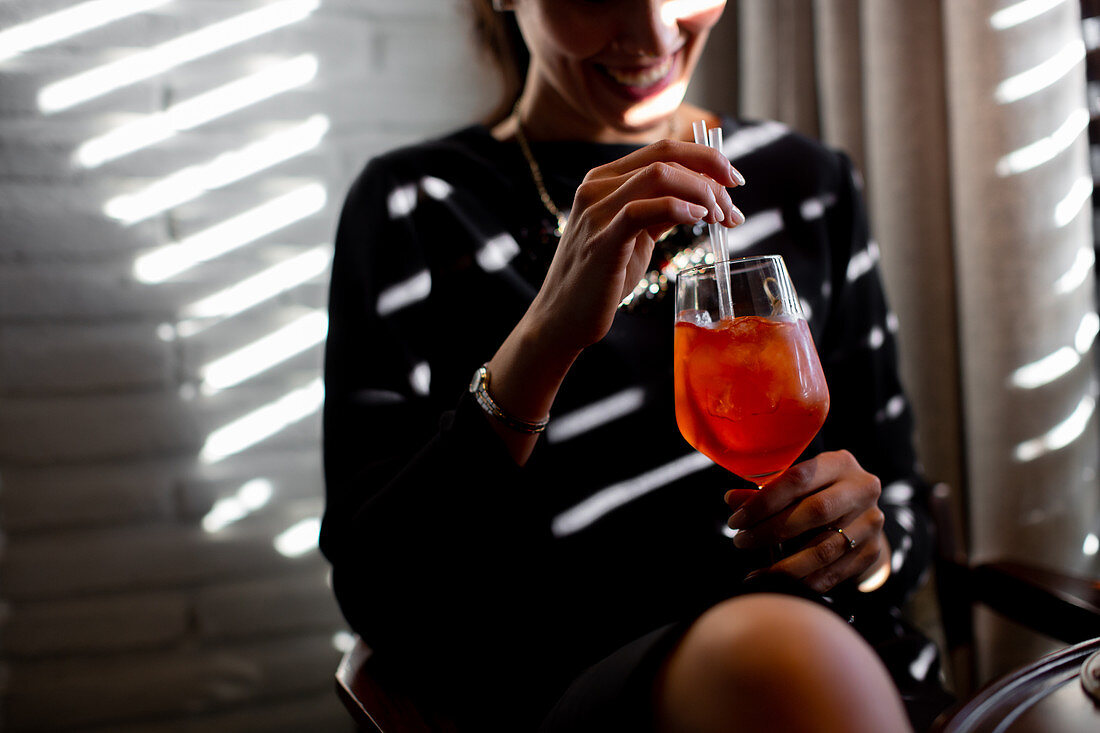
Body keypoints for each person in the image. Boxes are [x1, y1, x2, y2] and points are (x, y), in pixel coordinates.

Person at [320, 1, 953, 731]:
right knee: (773, 652)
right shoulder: (415, 208)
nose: (655, 35)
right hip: (597, 697)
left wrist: (866, 550)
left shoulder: (809, 182)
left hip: (864, 678)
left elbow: (900, 504)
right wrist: (546, 335)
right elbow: (377, 590)